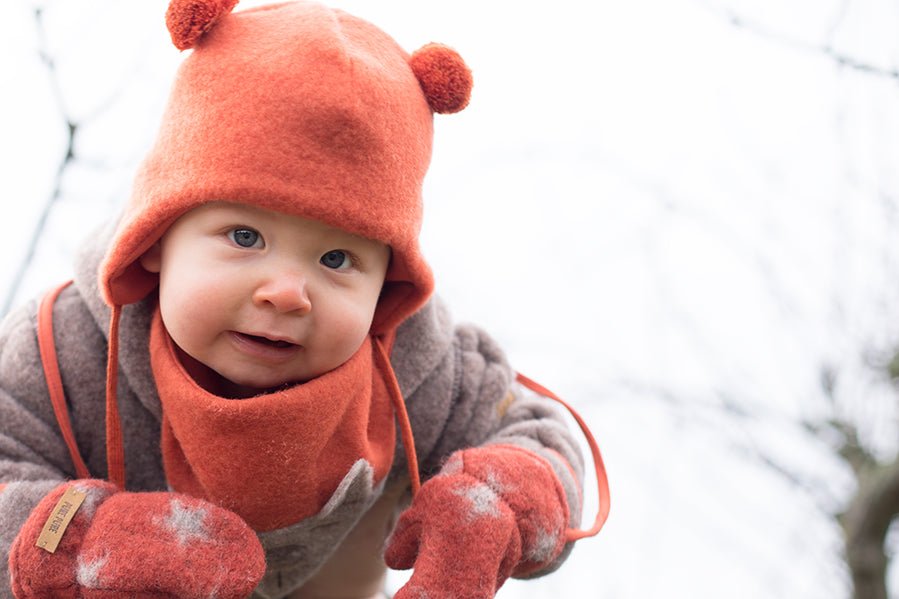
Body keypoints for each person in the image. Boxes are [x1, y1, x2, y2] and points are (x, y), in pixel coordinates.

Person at [0, 1, 608, 598]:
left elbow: (540, 438)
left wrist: (503, 502)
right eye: (245, 237)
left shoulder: (419, 369)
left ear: (386, 290)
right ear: (155, 236)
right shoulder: (60, 353)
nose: (288, 293)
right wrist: (76, 542)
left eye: (337, 259)